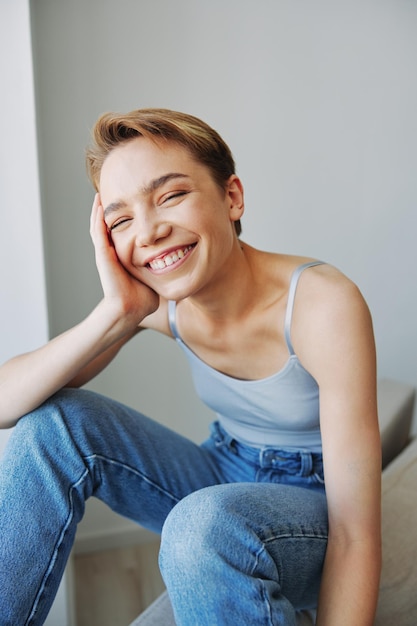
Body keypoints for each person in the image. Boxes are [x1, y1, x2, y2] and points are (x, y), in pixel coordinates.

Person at [0, 108, 381, 625]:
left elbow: (356, 534)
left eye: (170, 196)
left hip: (314, 507)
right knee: (53, 425)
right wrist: (115, 312)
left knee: (202, 524)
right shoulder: (157, 303)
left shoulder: (321, 306)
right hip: (223, 468)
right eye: (121, 219)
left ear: (232, 197)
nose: (150, 231)